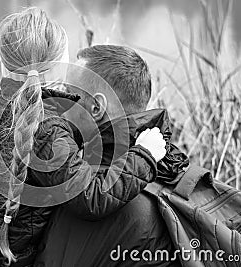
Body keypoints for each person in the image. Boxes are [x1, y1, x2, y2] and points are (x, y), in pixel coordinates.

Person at [0, 8, 166, 267]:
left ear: (4, 63)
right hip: (17, 257)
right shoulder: (48, 128)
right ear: (58, 66)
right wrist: (144, 156)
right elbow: (91, 198)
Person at [35, 45, 188, 267]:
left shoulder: (91, 198)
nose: (60, 102)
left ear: (96, 108)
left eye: (68, 93)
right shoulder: (171, 167)